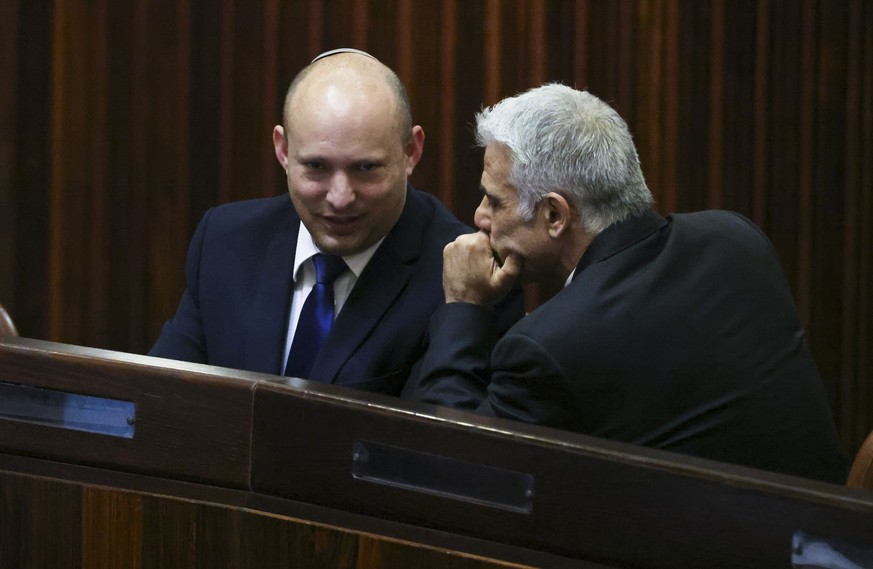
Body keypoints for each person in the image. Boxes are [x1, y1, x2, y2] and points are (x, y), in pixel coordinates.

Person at [413, 83, 847, 483]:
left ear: (554, 215)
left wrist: (463, 308)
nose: (479, 218)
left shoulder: (550, 346)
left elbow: (455, 471)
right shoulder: (736, 239)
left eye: (494, 200)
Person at [149, 49, 522, 395]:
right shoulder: (227, 240)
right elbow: (161, 399)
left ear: (411, 151)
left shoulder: (471, 280)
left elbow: (445, 448)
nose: (340, 197)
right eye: (316, 167)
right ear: (283, 150)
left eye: (365, 168)